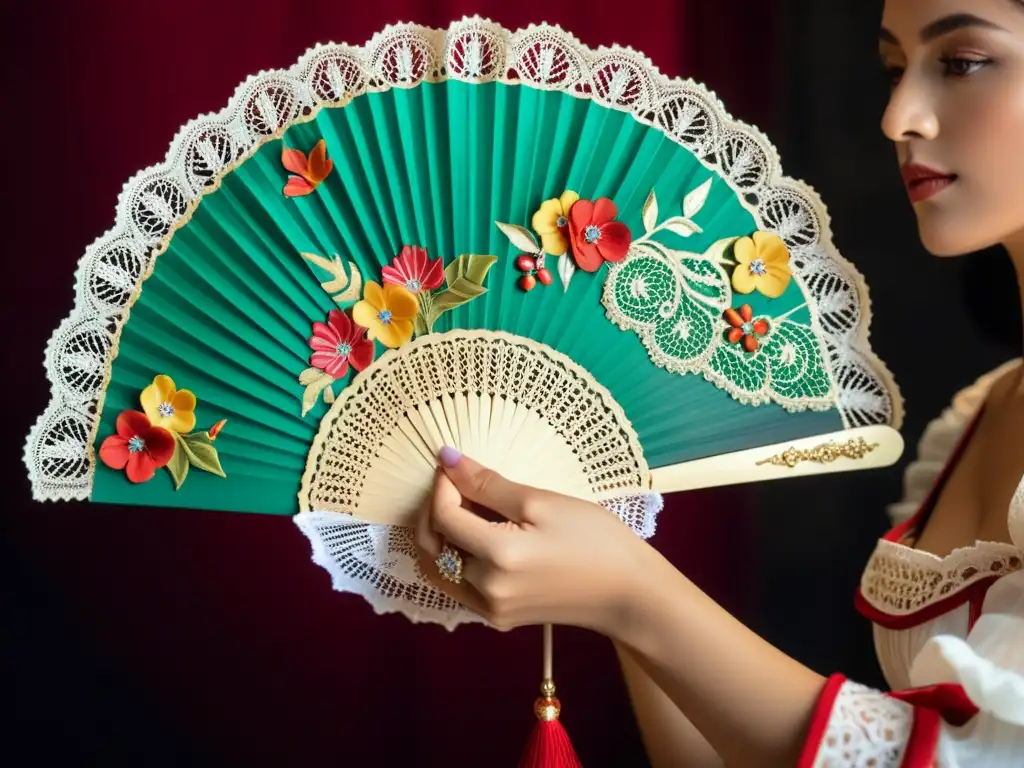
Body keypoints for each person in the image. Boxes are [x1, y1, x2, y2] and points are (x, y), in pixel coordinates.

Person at [414, 0, 1024, 765]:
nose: (899, 116)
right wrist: (614, 567)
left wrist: (634, 594)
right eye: (894, 70)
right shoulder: (972, 420)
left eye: (962, 62)